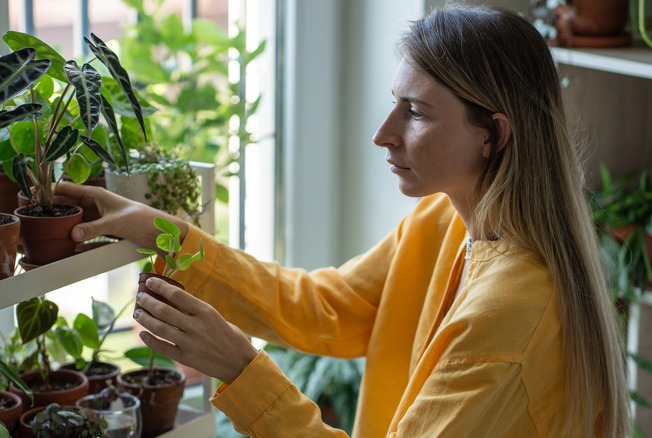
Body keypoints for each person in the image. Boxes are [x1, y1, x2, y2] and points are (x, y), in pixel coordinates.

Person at [55, 4, 630, 437]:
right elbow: (325, 307)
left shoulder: (512, 311)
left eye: (416, 112)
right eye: (394, 102)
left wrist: (238, 365)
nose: (383, 133)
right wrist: (163, 230)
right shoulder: (443, 220)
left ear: (494, 136)